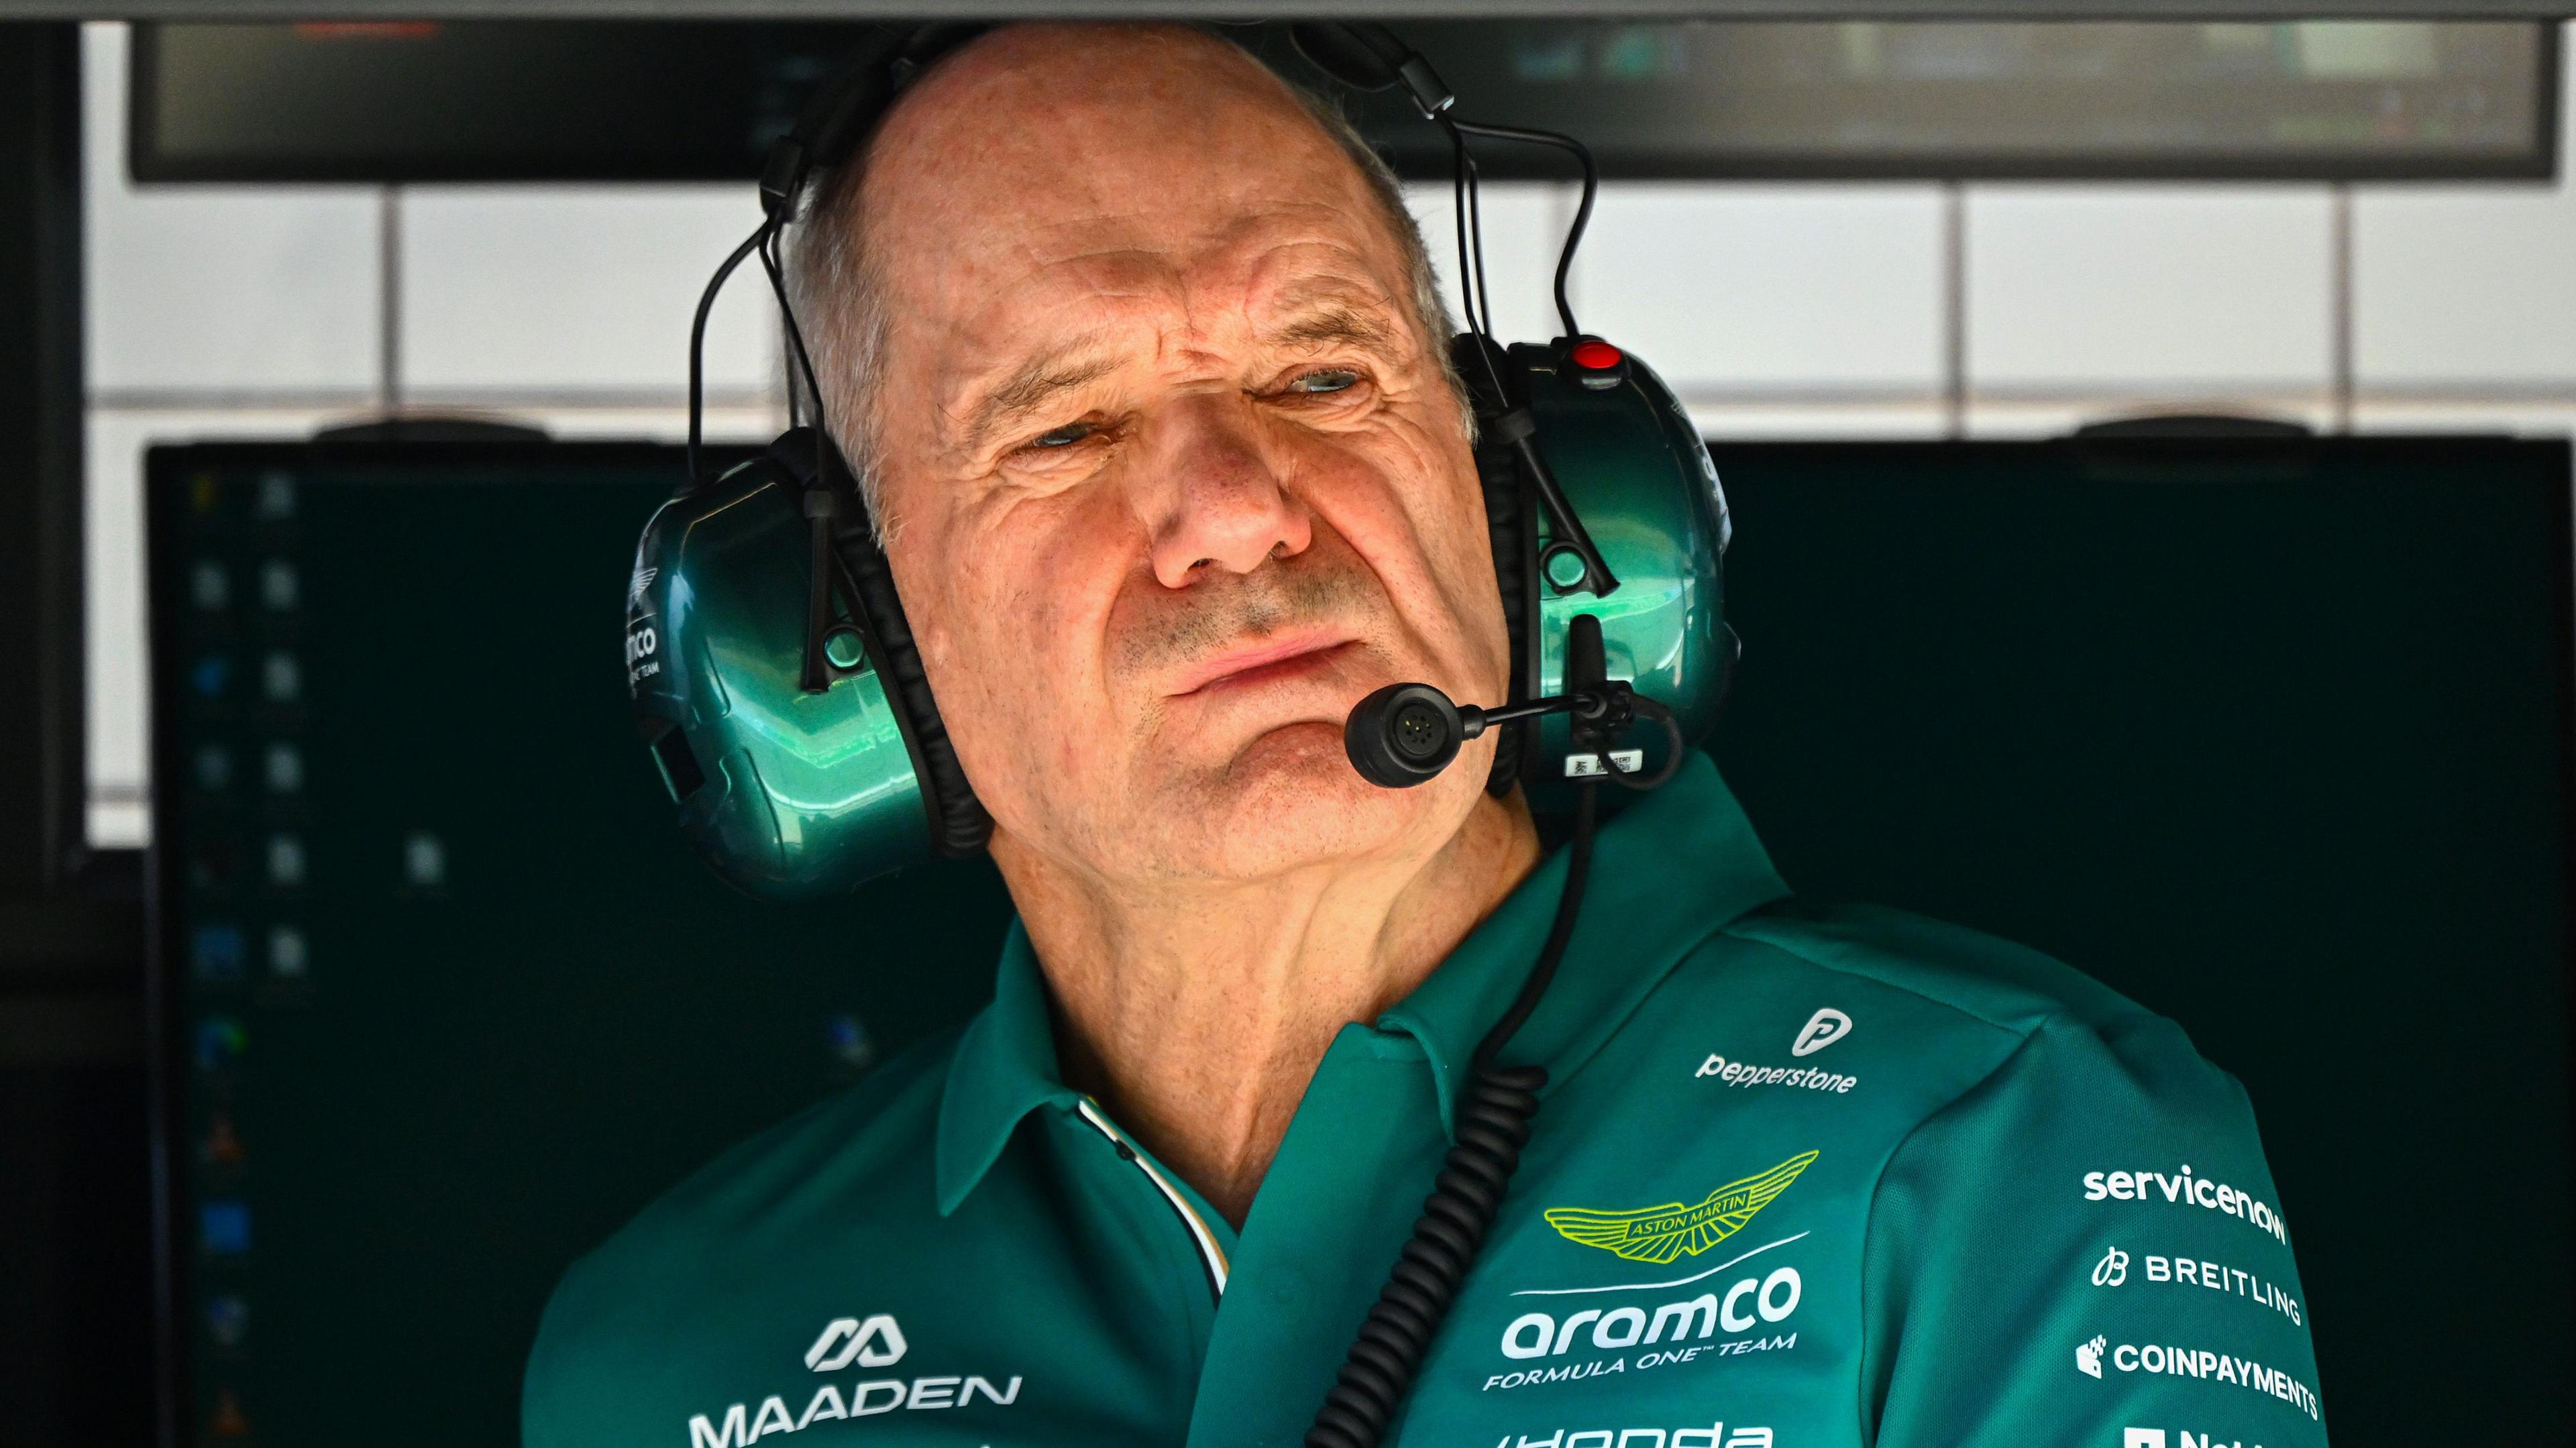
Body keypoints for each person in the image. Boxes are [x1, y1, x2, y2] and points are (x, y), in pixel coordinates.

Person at [523, 22, 2327, 1448]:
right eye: (1062, 430)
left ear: (1526, 492)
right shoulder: (669, 1356)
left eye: (1321, 375)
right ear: (827, 639)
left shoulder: (2003, 1138)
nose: (1233, 509)